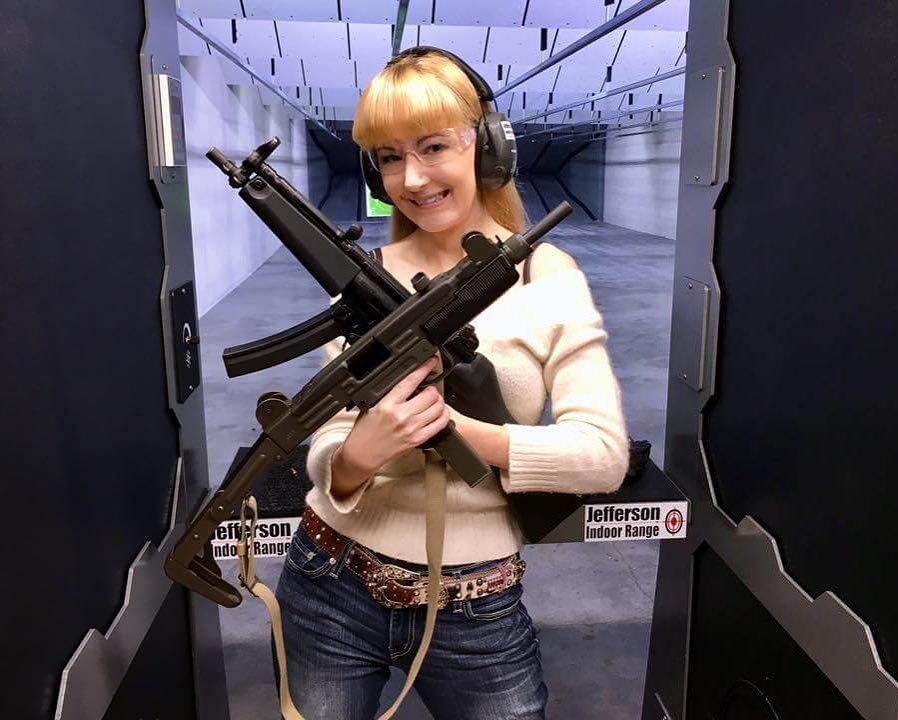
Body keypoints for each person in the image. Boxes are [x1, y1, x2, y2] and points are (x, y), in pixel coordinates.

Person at [274, 46, 630, 720]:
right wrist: (358, 456)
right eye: (388, 156)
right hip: (329, 582)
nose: (411, 177)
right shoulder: (362, 280)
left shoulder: (548, 277)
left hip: (478, 604)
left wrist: (462, 434)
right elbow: (325, 446)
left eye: (434, 146)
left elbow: (603, 456)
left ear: (489, 148)